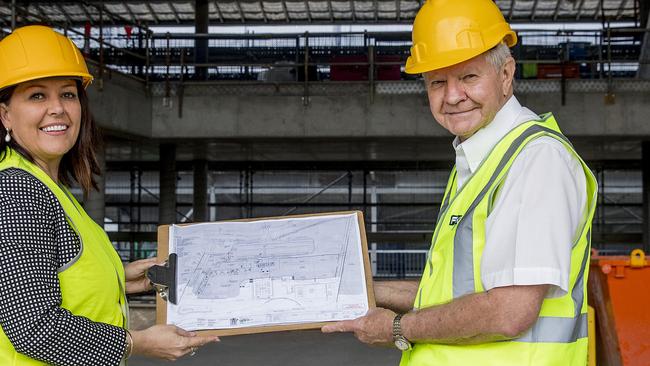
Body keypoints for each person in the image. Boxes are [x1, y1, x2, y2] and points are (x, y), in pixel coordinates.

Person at [322, 1, 597, 365]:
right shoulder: (480, 162)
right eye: (438, 81)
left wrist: (398, 328)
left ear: (505, 75)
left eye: (468, 77)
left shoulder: (535, 159)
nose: (452, 96)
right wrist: (369, 292)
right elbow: (459, 293)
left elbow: (509, 310)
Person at [0, 25, 218, 365]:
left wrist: (118, 276)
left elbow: (52, 278)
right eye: (37, 95)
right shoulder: (18, 189)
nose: (57, 108)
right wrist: (139, 342)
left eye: (68, 94)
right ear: (5, 115)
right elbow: (34, 328)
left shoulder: (48, 188)